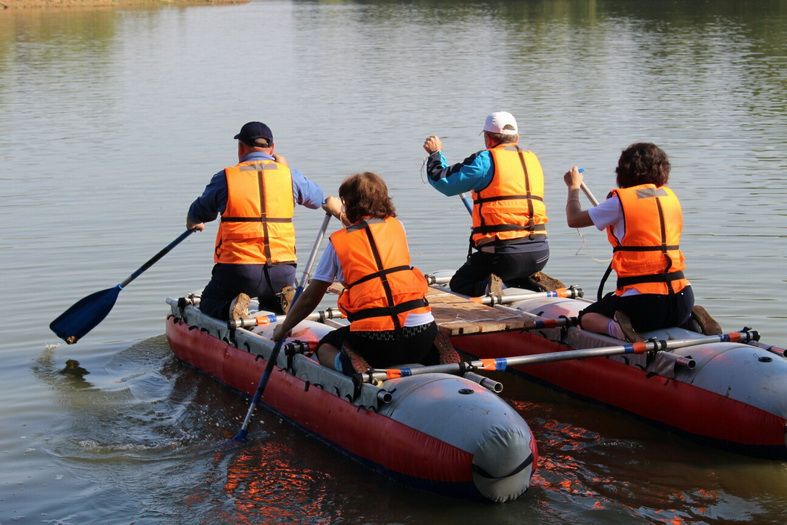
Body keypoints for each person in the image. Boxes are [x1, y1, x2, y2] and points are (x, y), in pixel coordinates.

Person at [272, 172, 440, 375]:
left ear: (349, 204)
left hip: (376, 341)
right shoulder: (398, 227)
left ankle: (350, 366)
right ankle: (438, 353)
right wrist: (341, 215)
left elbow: (310, 298)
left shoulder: (339, 243)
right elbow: (368, 231)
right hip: (421, 333)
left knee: (325, 346)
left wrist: (284, 328)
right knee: (419, 338)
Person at [563, 142, 720, 341]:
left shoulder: (620, 202)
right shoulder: (670, 197)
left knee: (587, 317)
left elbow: (573, 219)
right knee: (666, 309)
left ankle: (618, 330)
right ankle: (692, 320)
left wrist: (574, 187)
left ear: (624, 172)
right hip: (683, 296)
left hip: (644, 304)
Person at [187, 121, 338, 320]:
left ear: (240, 148)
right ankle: (282, 301)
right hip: (283, 272)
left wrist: (193, 222)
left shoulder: (226, 178)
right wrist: (285, 170)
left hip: (239, 272)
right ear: (272, 149)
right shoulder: (289, 175)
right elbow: (318, 198)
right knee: (273, 294)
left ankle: (232, 307)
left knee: (209, 302)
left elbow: (199, 211)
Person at [422, 111, 554, 297]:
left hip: (504, 255)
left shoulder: (486, 160)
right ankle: (530, 283)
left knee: (460, 283)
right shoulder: (532, 159)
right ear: (516, 137)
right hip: (540, 252)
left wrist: (435, 154)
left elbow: (444, 182)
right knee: (510, 271)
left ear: (488, 138)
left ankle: (489, 287)